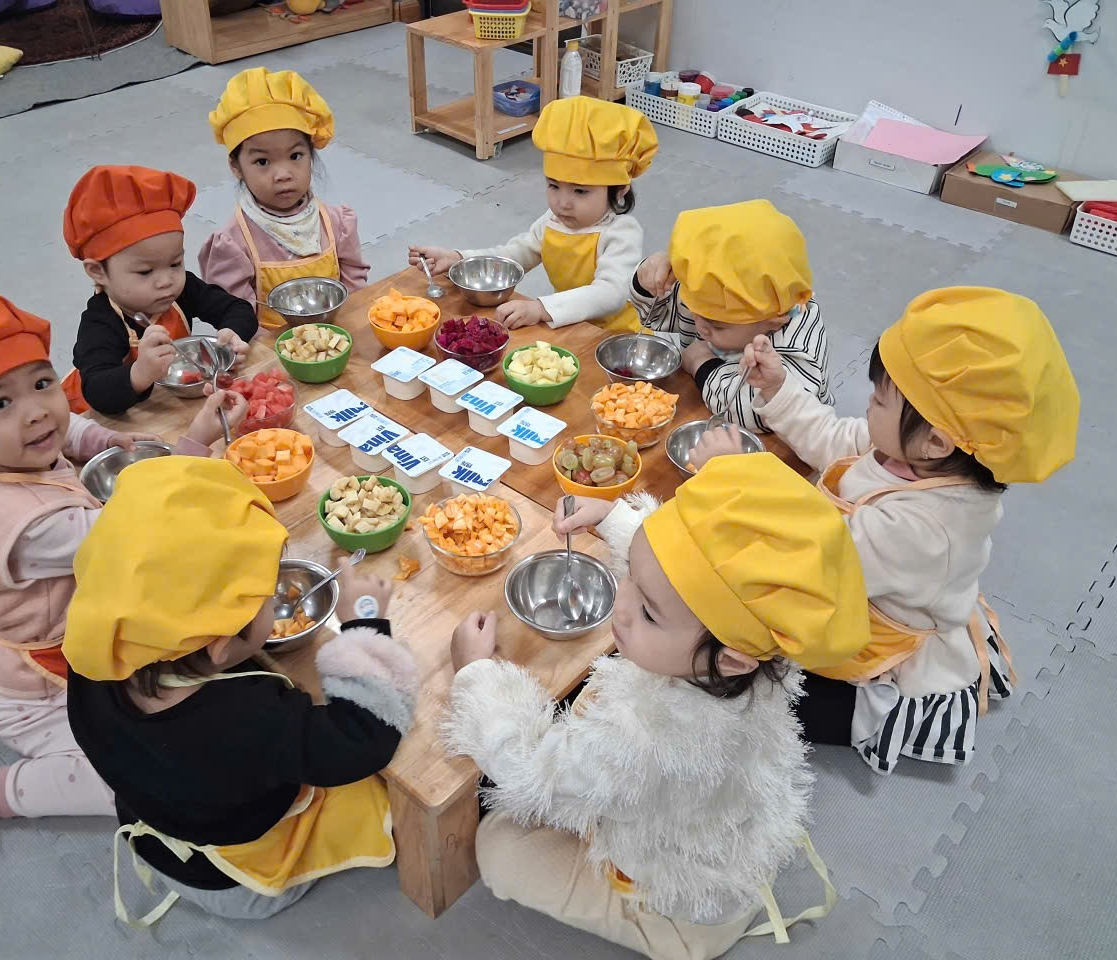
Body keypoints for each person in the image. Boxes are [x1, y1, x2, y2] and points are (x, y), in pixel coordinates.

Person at [0, 294, 243, 893]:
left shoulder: (16, 447)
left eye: (43, 383)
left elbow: (71, 427)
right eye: (0, 403)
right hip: (40, 689)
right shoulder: (33, 528)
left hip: (85, 638)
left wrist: (104, 442)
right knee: (137, 776)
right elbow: (138, 531)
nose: (37, 414)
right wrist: (197, 444)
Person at [443, 454, 871, 960]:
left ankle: (671, 939)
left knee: (498, 847)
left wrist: (476, 674)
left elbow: (532, 770)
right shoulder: (758, 645)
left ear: (730, 659)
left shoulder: (648, 735)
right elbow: (684, 567)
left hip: (681, 907)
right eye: (631, 577)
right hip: (719, 833)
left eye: (647, 612)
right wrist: (611, 517)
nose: (621, 606)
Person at [693, 286, 1080, 774]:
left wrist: (734, 478)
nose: (867, 404)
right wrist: (779, 389)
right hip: (850, 591)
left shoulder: (926, 529)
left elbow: (815, 556)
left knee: (747, 694)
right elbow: (832, 438)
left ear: (936, 441)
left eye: (879, 399)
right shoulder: (906, 452)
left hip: (879, 651)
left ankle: (872, 715)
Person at [64, 456, 418, 924]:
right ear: (220, 646)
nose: (274, 595)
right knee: (377, 793)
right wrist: (365, 625)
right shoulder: (250, 721)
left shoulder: (94, 661)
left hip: (157, 829)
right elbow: (366, 737)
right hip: (234, 881)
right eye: (267, 593)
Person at [410, 97, 657, 333]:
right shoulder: (552, 221)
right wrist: (458, 258)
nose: (563, 203)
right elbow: (512, 256)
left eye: (580, 191)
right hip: (566, 326)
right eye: (554, 186)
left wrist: (542, 308)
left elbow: (610, 294)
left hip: (614, 336)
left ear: (620, 191)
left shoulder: (621, 231)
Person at [64, 164, 257, 415]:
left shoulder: (183, 290)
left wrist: (233, 334)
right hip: (101, 418)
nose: (166, 280)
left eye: (175, 263)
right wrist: (139, 373)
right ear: (97, 271)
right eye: (146, 272)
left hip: (166, 407)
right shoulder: (100, 323)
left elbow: (237, 308)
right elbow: (98, 393)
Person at [633, 200, 831, 432]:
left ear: (774, 322)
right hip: (705, 408)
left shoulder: (800, 344)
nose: (699, 327)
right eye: (694, 311)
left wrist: (702, 364)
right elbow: (657, 317)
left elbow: (757, 414)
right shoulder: (706, 291)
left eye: (717, 326)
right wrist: (648, 282)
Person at [199, 67, 370, 332]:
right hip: (268, 350)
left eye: (295, 156)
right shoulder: (234, 242)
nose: (283, 174)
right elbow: (235, 316)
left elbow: (355, 288)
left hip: (337, 339)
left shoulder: (336, 222)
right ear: (236, 166)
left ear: (310, 154)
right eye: (262, 161)